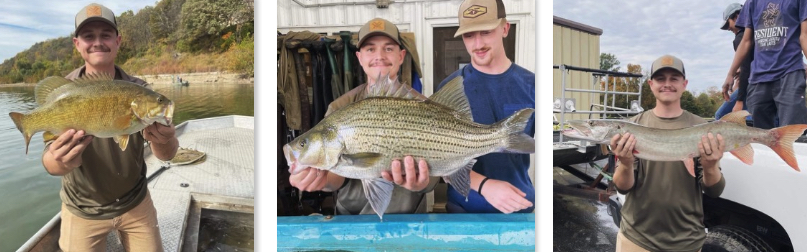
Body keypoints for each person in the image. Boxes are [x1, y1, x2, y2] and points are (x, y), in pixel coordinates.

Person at [43, 3, 178, 251]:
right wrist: (61, 161)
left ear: (118, 41)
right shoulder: (64, 92)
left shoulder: (140, 88)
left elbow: (167, 155)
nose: (97, 42)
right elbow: (51, 165)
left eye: (105, 35)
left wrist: (164, 139)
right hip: (82, 209)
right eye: (88, 36)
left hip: (135, 202)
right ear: (77, 44)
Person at [289, 18, 439, 216]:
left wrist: (423, 182)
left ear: (401, 56)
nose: (379, 56)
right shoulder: (339, 107)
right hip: (353, 217)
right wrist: (322, 180)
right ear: (359, 57)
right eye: (370, 49)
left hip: (409, 216)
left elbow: (437, 170)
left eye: (388, 48)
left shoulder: (424, 106)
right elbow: (335, 177)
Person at [611, 55, 726, 251]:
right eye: (660, 78)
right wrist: (626, 163)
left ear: (684, 84)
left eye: (674, 78)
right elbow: (622, 187)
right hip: (636, 239)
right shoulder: (633, 126)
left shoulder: (702, 127)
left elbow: (714, 191)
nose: (667, 84)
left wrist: (711, 166)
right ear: (651, 84)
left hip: (687, 241)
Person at [437, 0, 535, 214]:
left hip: (518, 208)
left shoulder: (533, 85)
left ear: (505, 28)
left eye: (486, 32)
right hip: (463, 209)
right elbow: (440, 158)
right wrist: (484, 185)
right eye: (469, 35)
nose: (478, 44)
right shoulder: (450, 88)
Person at [722, 0, 807, 129]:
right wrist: (730, 74)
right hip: (758, 79)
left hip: (790, 73)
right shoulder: (752, 3)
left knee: (792, 132)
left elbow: (804, 36)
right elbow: (746, 41)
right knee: (760, 136)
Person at [715, 3, 752, 121]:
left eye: (728, 24)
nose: (728, 28)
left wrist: (740, 100)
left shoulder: (740, 38)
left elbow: (747, 68)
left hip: (751, 86)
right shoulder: (757, 34)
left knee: (721, 116)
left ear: (737, 17)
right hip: (767, 85)